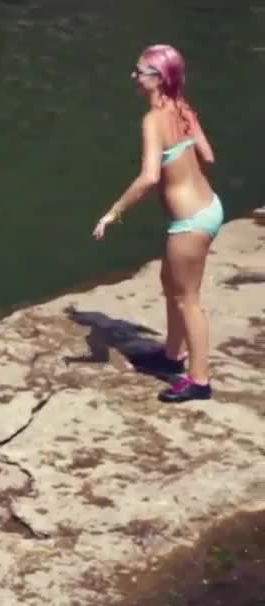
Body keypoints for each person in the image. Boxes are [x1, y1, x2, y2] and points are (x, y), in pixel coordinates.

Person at [93, 44, 222, 403]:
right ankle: (170, 356)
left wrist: (113, 212)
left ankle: (199, 380)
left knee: (187, 300)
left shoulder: (153, 120)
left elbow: (149, 178)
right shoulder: (181, 109)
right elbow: (208, 155)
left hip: (191, 220)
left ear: (158, 78)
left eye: (139, 72)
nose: (133, 77)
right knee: (171, 284)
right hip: (208, 207)